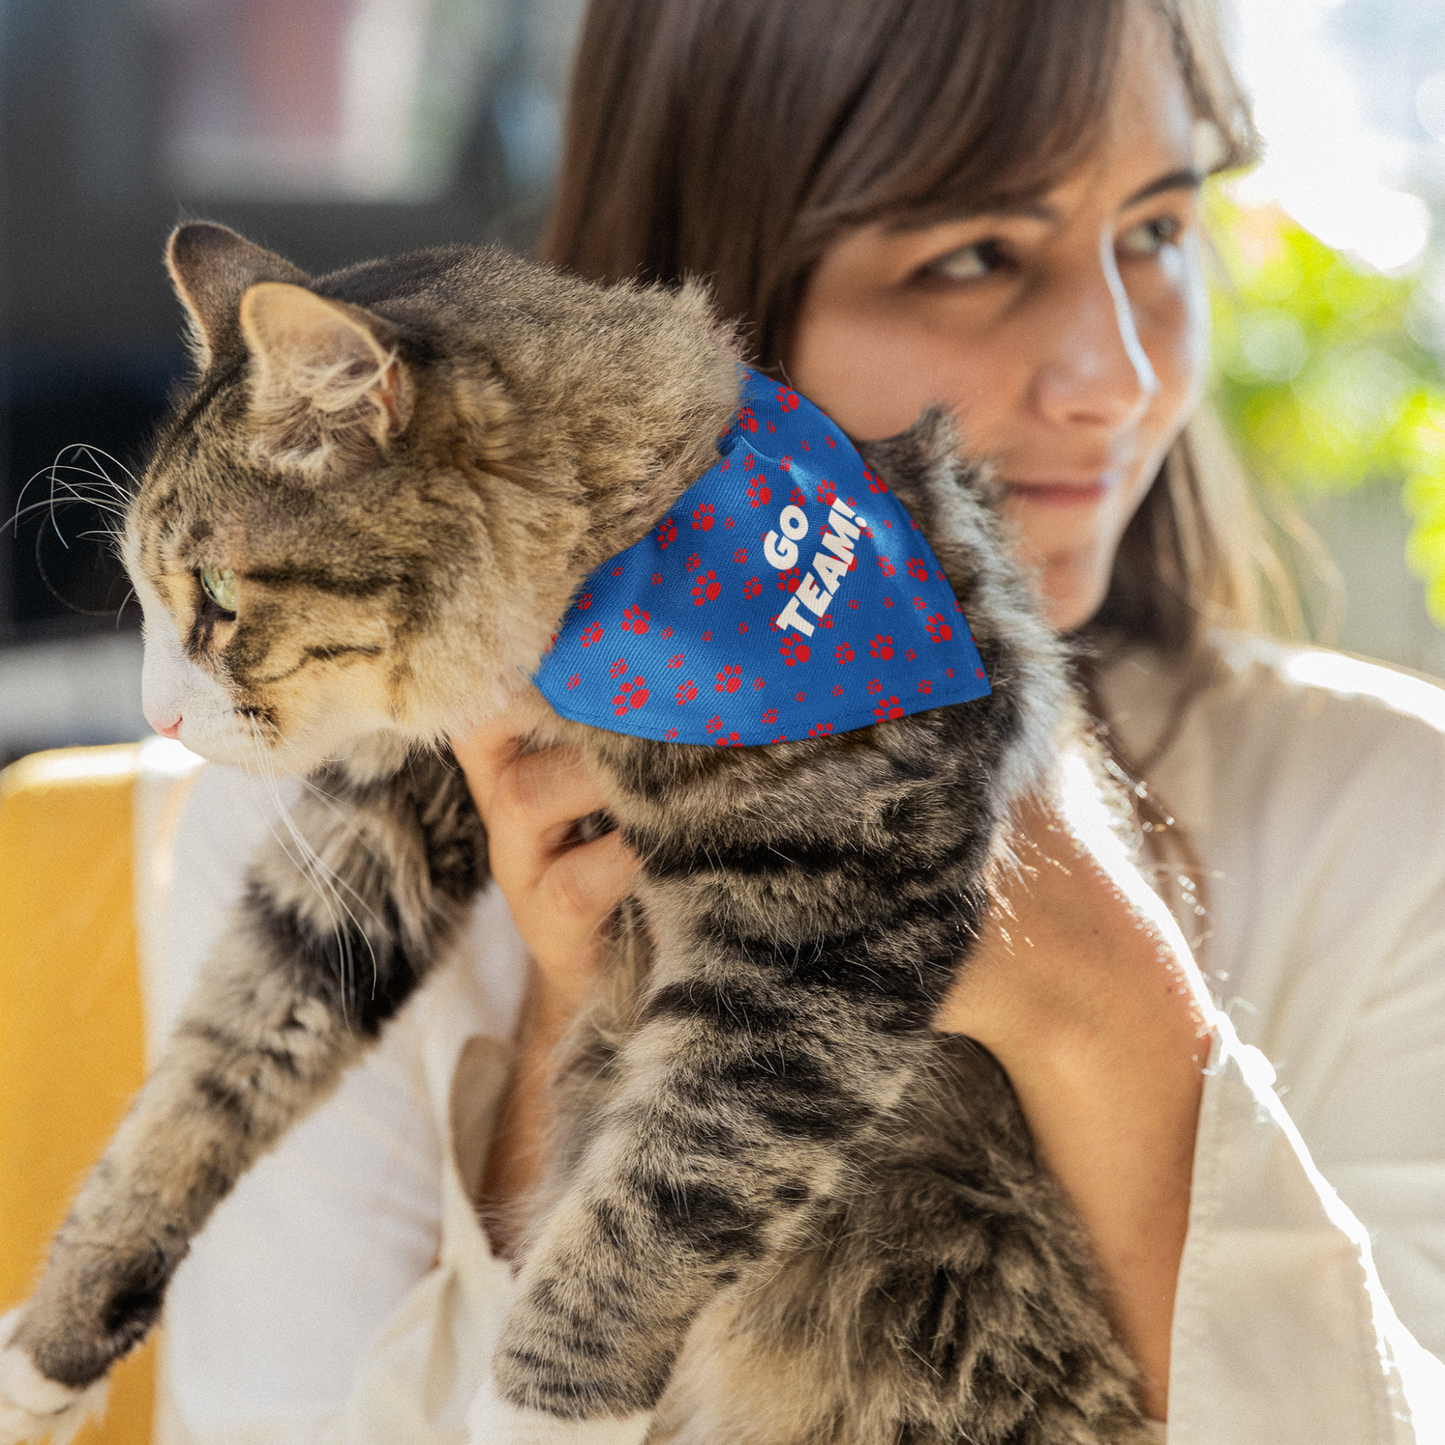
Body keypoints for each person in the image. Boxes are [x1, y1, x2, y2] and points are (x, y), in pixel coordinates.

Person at [149, 0, 1445, 1441]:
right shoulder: (316, 822)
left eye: (1154, 231)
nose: (1119, 380)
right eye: (973, 259)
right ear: (710, 300)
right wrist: (578, 1039)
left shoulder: (1396, 818)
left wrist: (1117, 1018)